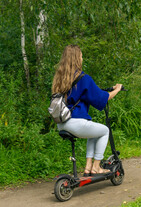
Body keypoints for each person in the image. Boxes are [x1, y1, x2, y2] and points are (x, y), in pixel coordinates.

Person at [52, 45, 122, 176]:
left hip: (61, 123)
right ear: (77, 59)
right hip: (75, 122)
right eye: (81, 56)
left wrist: (107, 88)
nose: (82, 58)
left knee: (93, 131)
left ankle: (88, 167)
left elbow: (88, 91)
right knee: (104, 131)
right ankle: (96, 166)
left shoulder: (60, 79)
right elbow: (103, 98)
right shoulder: (83, 78)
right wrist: (117, 89)